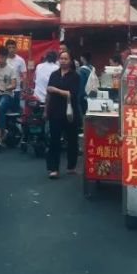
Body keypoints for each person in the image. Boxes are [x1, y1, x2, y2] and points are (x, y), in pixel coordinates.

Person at [46, 50, 81, 179]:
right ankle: (53, 169)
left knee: (72, 140)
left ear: (70, 61)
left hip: (70, 113)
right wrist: (46, 110)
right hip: (55, 111)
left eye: (66, 59)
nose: (63, 61)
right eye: (61, 58)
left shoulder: (75, 76)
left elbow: (71, 94)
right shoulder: (54, 75)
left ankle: (71, 167)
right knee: (54, 140)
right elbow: (48, 94)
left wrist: (55, 90)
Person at [77, 52, 97, 116]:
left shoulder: (82, 70)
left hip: (83, 96)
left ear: (82, 58)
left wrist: (78, 97)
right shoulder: (92, 68)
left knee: (83, 115)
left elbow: (81, 85)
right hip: (91, 94)